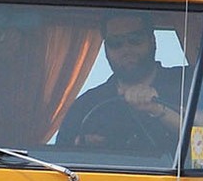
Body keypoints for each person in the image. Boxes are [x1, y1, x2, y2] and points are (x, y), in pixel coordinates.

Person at [57, 13, 188, 149]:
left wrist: (158, 109)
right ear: (106, 49)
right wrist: (82, 146)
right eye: (115, 43)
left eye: (134, 40)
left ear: (152, 41)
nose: (126, 49)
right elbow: (59, 159)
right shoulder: (87, 105)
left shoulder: (189, 82)